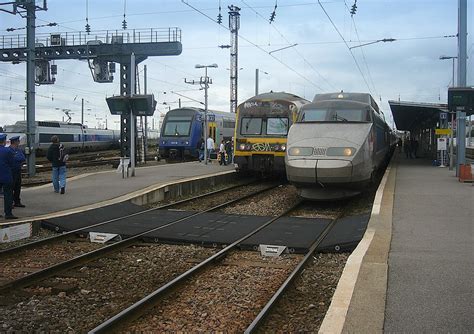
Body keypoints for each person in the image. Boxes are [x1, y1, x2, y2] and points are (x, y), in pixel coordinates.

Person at [0, 133, 17, 219]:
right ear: (4, 141)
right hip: (6, 176)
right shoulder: (8, 151)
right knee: (8, 195)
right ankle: (8, 213)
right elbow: (12, 163)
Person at [9, 136, 26, 208]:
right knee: (11, 187)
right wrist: (17, 159)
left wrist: (17, 159)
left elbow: (23, 158)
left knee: (17, 187)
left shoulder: (19, 150)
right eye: (18, 141)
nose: (19, 142)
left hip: (18, 170)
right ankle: (10, 202)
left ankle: (17, 202)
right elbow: (13, 160)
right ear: (15, 142)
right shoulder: (9, 150)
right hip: (11, 171)